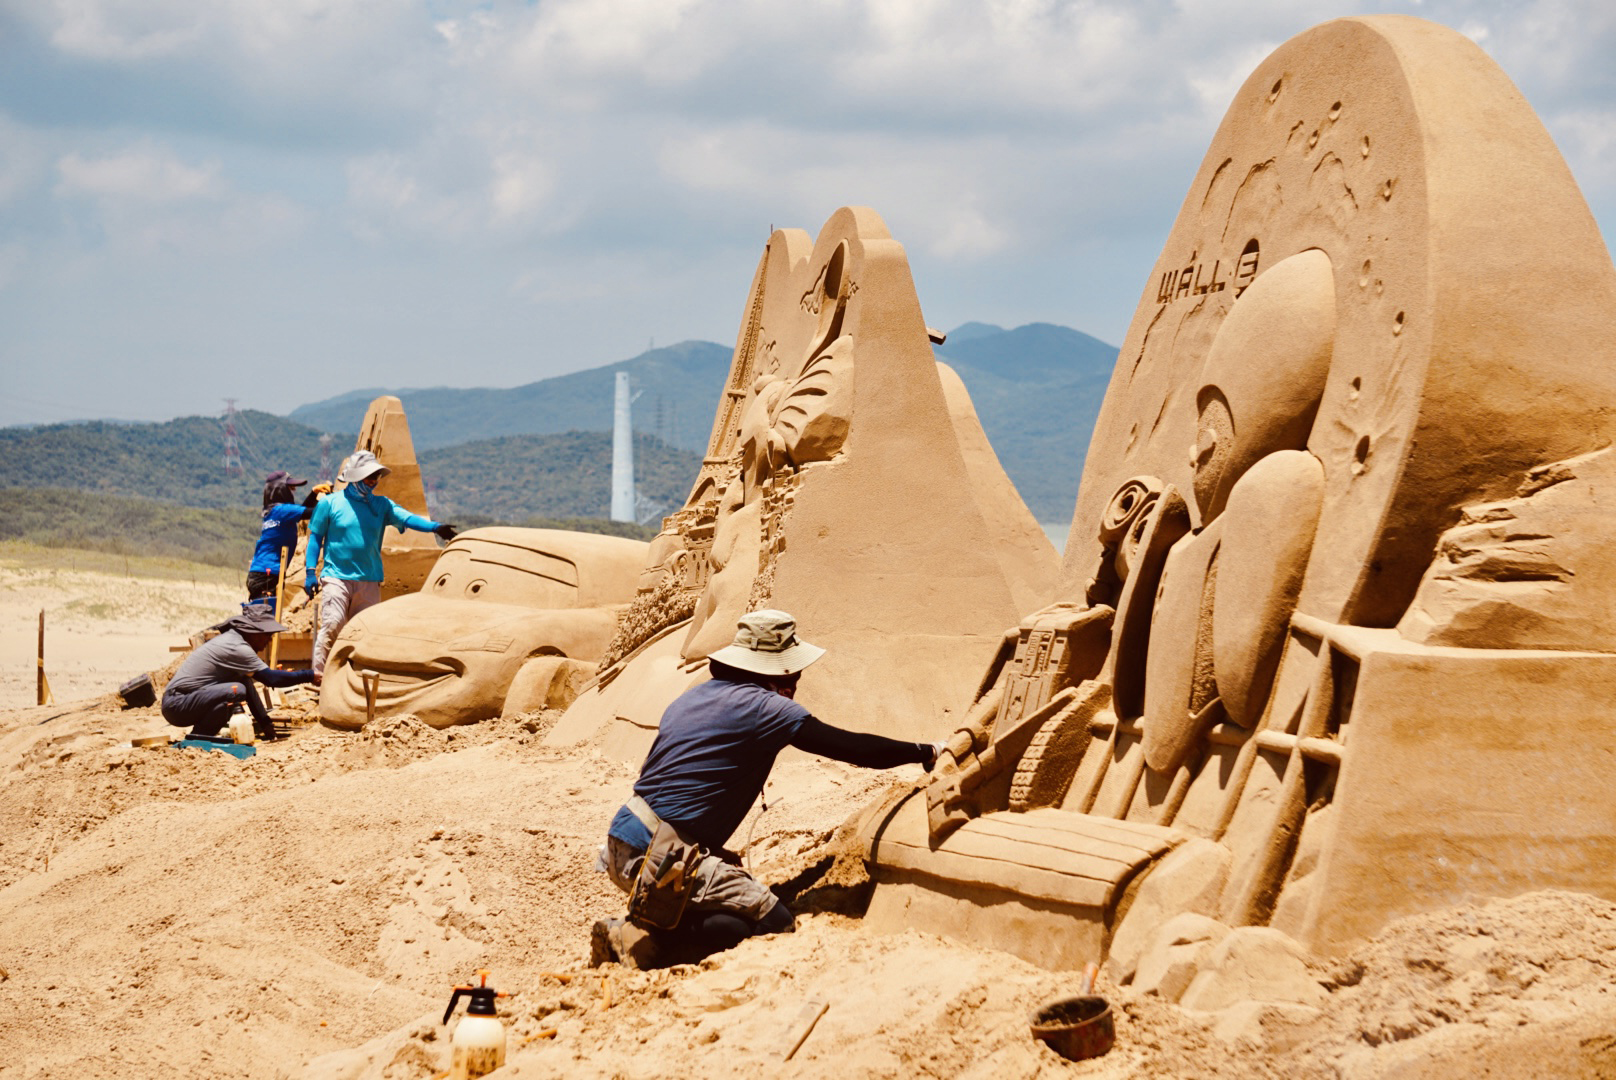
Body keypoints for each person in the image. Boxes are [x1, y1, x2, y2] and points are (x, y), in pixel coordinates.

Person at [590, 609, 942, 969]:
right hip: (662, 855)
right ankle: (642, 942)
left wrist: (710, 849)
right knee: (774, 922)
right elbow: (852, 748)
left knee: (729, 919)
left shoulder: (690, 699)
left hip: (623, 840)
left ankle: (656, 921)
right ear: (781, 672)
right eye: (795, 673)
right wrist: (924, 752)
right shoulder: (766, 707)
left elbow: (671, 783)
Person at [305, 450, 457, 677]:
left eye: (376, 477)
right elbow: (316, 537)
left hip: (369, 578)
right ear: (356, 476)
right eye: (369, 477)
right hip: (336, 576)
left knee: (363, 632)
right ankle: (319, 676)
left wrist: (435, 527)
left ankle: (353, 678)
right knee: (333, 624)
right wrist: (309, 571)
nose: (374, 482)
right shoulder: (330, 503)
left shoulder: (381, 505)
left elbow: (407, 518)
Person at [161, 608, 316, 741]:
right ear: (254, 633)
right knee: (237, 690)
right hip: (177, 705)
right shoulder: (237, 647)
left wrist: (267, 727)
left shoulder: (234, 640)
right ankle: (198, 738)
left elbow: (249, 684)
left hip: (182, 703)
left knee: (241, 684)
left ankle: (199, 737)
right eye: (268, 635)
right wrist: (310, 675)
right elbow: (271, 679)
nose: (269, 640)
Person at [246, 471, 325, 604]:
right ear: (280, 490)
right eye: (291, 487)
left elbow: (301, 511)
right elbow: (312, 512)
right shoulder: (282, 511)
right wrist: (332, 501)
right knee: (265, 616)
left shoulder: (273, 511)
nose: (294, 490)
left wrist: (314, 493)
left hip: (260, 572)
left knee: (261, 615)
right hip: (267, 574)